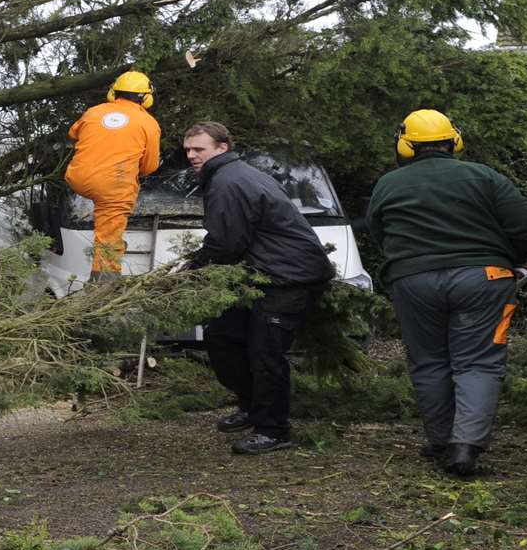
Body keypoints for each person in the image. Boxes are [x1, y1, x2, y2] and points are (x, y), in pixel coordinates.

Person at [366, 109, 527, 476]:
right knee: (478, 361)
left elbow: (379, 233)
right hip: (484, 279)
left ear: (405, 145)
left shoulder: (389, 184)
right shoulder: (484, 176)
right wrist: (513, 259)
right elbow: (525, 223)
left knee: (428, 361)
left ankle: (441, 441)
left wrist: (407, 262)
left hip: (413, 282)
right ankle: (465, 446)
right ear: (455, 140)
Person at [182, 121, 333, 455]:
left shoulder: (228, 181)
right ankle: (253, 408)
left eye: (199, 149)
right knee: (223, 337)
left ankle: (274, 430)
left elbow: (227, 243)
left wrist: (192, 270)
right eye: (188, 150)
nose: (192, 156)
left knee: (266, 352)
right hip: (260, 275)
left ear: (222, 148)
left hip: (288, 277)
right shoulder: (229, 175)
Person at [65, 71, 162, 278]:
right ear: (146, 97)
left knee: (103, 204)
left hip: (77, 177)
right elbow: (149, 166)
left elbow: (73, 133)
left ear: (113, 92)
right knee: (108, 237)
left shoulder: (93, 112)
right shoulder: (149, 123)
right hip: (113, 184)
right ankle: (104, 284)